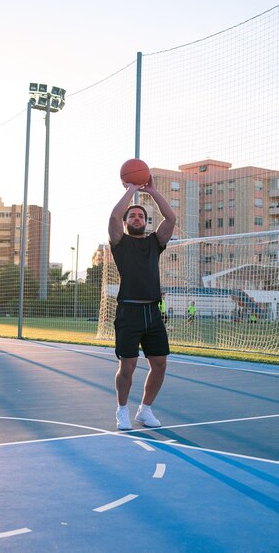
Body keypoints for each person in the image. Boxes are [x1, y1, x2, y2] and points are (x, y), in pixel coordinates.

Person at [109, 174, 176, 431]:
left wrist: (152, 192)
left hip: (152, 310)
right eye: (132, 216)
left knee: (159, 364)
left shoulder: (154, 243)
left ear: (146, 223)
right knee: (128, 365)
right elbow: (114, 217)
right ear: (126, 223)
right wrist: (131, 191)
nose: (137, 218)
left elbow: (171, 219)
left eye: (141, 216)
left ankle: (145, 410)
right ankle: (122, 410)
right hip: (129, 310)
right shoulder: (119, 242)